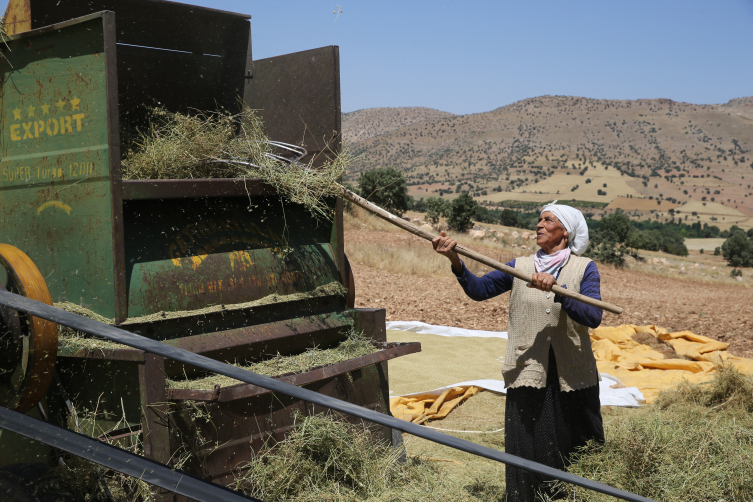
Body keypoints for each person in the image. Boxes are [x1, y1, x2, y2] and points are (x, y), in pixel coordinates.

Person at [432, 201, 604, 502]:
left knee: (573, 449)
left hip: (572, 376)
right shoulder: (519, 267)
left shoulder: (584, 268)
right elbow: (479, 290)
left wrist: (558, 290)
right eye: (538, 219)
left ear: (565, 231)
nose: (539, 225)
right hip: (529, 372)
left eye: (548, 220)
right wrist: (455, 260)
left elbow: (593, 316)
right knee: (530, 448)